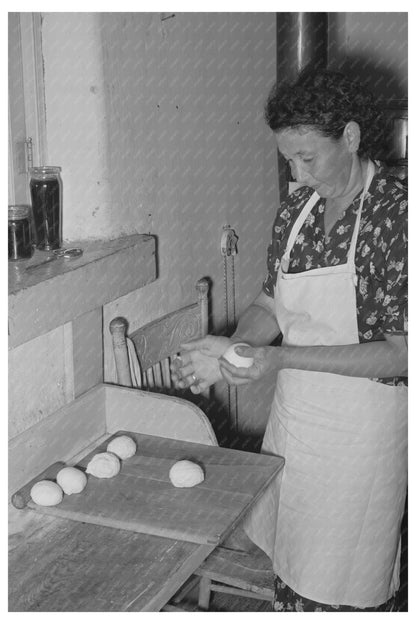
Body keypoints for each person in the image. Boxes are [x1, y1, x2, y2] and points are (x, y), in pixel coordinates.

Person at [171, 66, 408, 611]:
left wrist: (276, 357)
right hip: (296, 421)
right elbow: (270, 304)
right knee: (292, 569)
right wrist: (235, 346)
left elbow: (400, 352)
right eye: (288, 160)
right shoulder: (295, 214)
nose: (298, 173)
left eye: (308, 157)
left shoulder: (396, 218)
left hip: (361, 437)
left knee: (344, 583)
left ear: (350, 137)